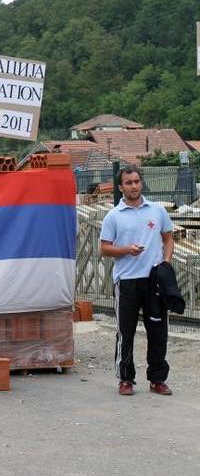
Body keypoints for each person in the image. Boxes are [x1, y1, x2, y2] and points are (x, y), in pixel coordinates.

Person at [100, 165, 175, 396]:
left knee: (158, 331)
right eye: (128, 183)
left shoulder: (157, 210)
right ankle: (125, 379)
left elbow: (168, 238)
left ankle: (157, 379)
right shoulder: (113, 216)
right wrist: (126, 250)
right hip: (127, 281)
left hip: (154, 281)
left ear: (141, 183)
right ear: (121, 187)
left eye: (136, 181)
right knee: (126, 332)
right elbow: (104, 248)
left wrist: (166, 262)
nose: (133, 186)